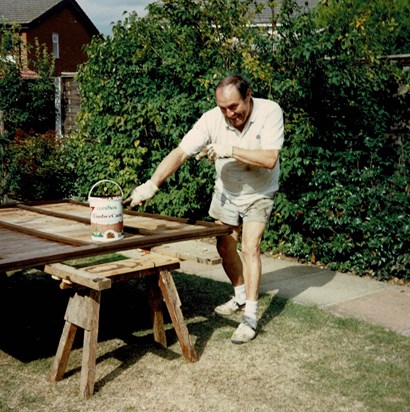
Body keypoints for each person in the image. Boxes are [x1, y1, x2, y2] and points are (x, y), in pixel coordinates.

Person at [124, 74, 284, 344]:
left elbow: (269, 159)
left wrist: (228, 149)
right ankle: (240, 294)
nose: (229, 114)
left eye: (234, 107)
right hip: (226, 190)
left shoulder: (270, 111)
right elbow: (181, 152)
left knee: (250, 247)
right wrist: (151, 185)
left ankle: (251, 317)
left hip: (259, 191)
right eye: (223, 108)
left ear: (248, 95)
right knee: (225, 248)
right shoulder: (212, 119)